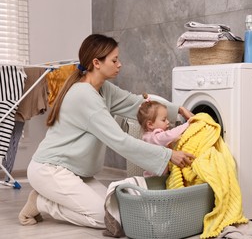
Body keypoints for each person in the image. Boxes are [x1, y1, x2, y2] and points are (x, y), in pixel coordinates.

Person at [18, 34, 195, 228]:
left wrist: (177, 110)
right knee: (107, 218)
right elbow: (120, 141)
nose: (119, 64)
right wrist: (168, 154)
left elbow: (136, 104)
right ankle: (43, 203)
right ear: (97, 63)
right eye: (114, 60)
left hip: (76, 172)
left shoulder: (104, 89)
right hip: (51, 170)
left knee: (119, 210)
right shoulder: (84, 96)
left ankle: (49, 198)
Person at [137, 98, 190, 177]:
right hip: (154, 180)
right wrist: (188, 123)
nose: (168, 122)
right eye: (164, 120)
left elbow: (167, 140)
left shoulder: (148, 136)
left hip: (157, 176)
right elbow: (170, 135)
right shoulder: (154, 137)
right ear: (150, 124)